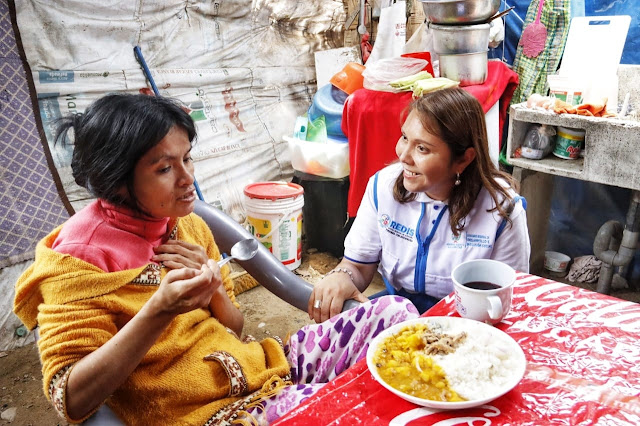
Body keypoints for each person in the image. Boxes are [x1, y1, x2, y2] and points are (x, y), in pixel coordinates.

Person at [13, 93, 419, 425]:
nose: (188, 179)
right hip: (206, 413)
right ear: (116, 180)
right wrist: (157, 311)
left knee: (395, 317)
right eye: (164, 168)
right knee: (342, 409)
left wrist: (212, 293)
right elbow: (71, 398)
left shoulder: (183, 224)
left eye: (186, 158)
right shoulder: (77, 262)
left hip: (256, 370)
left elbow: (235, 327)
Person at [309, 87, 530, 322]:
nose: (404, 155)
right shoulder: (382, 186)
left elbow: (510, 298)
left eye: (422, 148)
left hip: (467, 324)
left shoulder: (501, 211)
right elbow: (358, 266)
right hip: (400, 312)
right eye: (405, 138)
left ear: (464, 159)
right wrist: (342, 276)